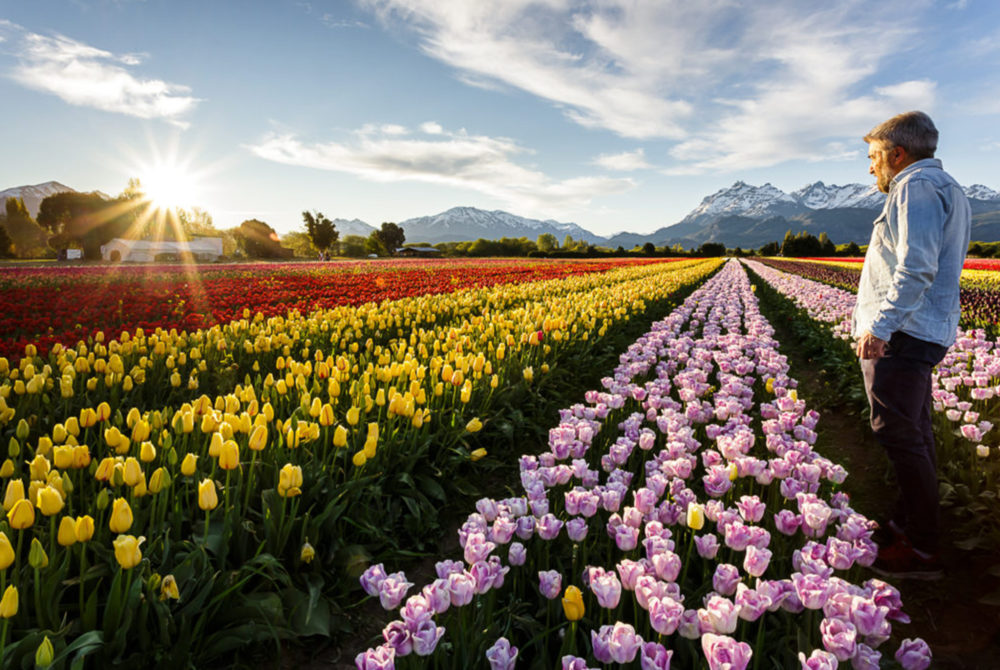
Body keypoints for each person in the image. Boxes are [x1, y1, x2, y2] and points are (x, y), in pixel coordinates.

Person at [852, 110, 971, 579]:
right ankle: (907, 523)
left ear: (897, 154)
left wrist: (879, 327)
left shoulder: (915, 187)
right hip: (921, 329)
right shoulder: (949, 188)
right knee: (914, 432)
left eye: (874, 157)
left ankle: (921, 547)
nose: (870, 168)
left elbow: (916, 266)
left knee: (898, 434)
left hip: (903, 334)